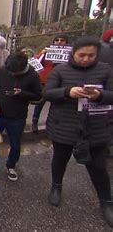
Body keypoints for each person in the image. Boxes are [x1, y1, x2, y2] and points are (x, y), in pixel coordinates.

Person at [43, 36, 113, 227]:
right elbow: (47, 93)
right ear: (73, 53)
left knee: (98, 167)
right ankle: (56, 186)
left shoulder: (105, 70)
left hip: (96, 128)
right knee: (59, 159)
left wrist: (100, 95)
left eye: (91, 55)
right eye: (82, 55)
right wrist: (67, 92)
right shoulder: (61, 70)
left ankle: (106, 202)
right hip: (64, 125)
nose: (86, 59)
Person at [0, 52, 42, 181]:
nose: (12, 74)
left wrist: (22, 93)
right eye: (10, 71)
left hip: (18, 117)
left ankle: (11, 165)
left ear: (22, 68)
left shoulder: (33, 75)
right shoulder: (2, 71)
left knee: (15, 143)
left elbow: (38, 95)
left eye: (15, 73)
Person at [31, 34, 70, 133]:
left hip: (60, 83)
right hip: (45, 82)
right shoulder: (46, 52)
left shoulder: (69, 54)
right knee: (40, 103)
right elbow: (35, 63)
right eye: (57, 40)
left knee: (56, 105)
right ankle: (34, 122)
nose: (59, 42)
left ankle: (51, 124)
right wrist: (42, 54)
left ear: (66, 43)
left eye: (62, 40)